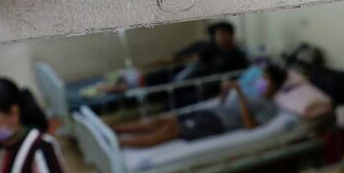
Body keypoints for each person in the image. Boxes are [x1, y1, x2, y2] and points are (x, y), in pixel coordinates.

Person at [112, 64, 286, 148]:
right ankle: (115, 129)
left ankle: (120, 143)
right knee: (164, 120)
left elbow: (249, 126)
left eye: (266, 79)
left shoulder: (271, 107)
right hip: (211, 112)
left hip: (217, 123)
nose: (260, 81)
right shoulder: (253, 93)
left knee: (170, 131)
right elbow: (222, 103)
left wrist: (240, 94)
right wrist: (225, 91)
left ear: (275, 86)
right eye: (262, 77)